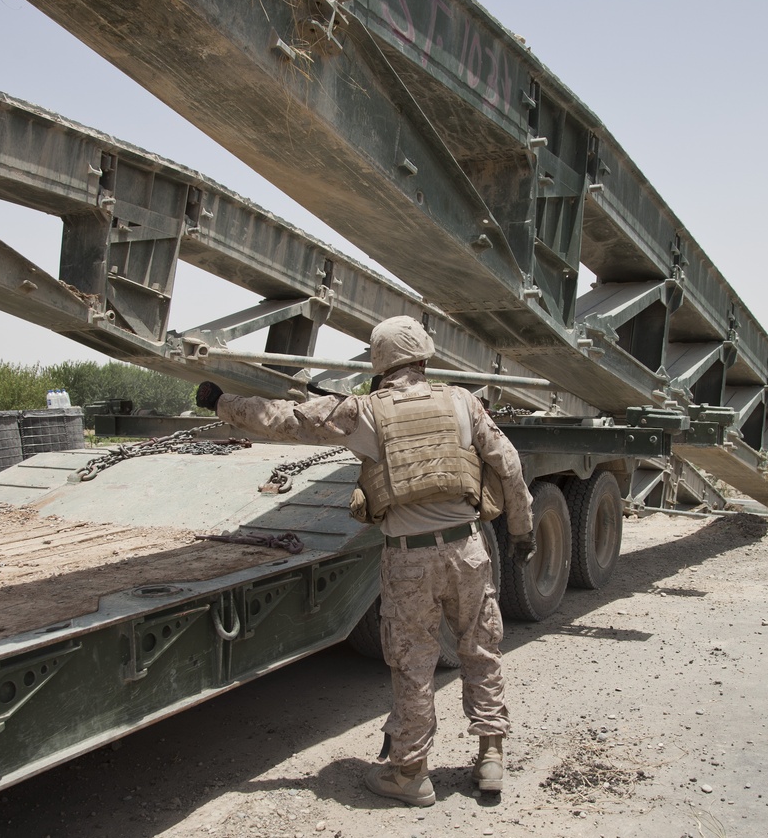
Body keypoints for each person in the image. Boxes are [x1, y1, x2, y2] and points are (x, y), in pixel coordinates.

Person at [194, 317, 534, 808]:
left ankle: (411, 774)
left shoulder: (365, 412)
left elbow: (283, 418)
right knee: (481, 649)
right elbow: (509, 464)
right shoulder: (464, 401)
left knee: (413, 663)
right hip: (469, 549)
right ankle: (491, 757)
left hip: (409, 560)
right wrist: (521, 531)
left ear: (379, 362)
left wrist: (221, 401)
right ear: (423, 355)